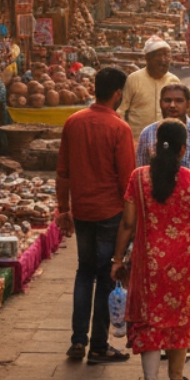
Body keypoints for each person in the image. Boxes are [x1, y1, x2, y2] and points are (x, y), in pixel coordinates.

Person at [112, 120, 190, 380]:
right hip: (184, 260)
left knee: (149, 318)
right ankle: (176, 377)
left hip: (148, 259)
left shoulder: (138, 177)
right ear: (184, 149)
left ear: (155, 146)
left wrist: (117, 259)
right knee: (180, 317)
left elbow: (127, 223)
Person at [56, 67, 136, 364]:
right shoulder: (120, 129)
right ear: (118, 94)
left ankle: (78, 341)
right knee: (106, 276)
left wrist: (63, 208)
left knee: (83, 272)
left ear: (94, 90)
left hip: (83, 211)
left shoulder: (73, 122)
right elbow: (127, 180)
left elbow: (62, 171)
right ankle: (99, 346)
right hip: (110, 212)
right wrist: (133, 221)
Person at [138, 84, 190, 220]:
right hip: (156, 215)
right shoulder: (147, 134)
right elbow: (141, 178)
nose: (173, 105)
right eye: (167, 100)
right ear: (160, 103)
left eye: (179, 101)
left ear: (188, 104)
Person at [118, 37, 181, 142]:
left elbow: (180, 114)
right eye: (158, 55)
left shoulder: (174, 81)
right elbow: (120, 111)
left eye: (166, 55)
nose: (163, 60)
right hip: (137, 140)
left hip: (165, 141)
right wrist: (126, 139)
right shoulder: (134, 79)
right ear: (147, 59)